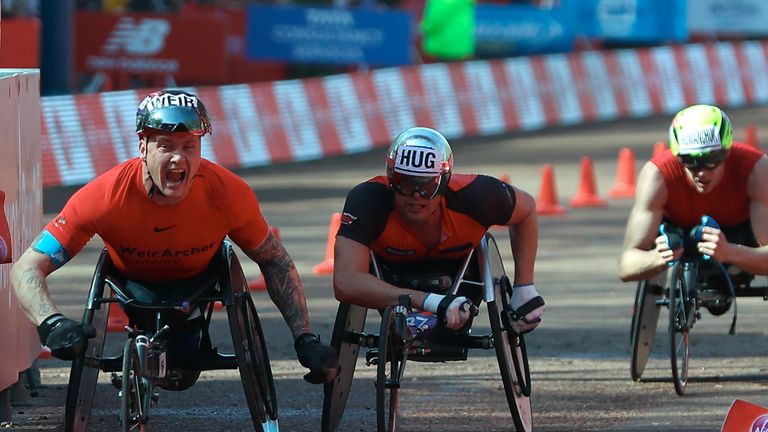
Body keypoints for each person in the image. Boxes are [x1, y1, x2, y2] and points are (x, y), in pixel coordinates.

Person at [10, 89, 339, 386]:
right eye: (165, 146)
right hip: (131, 287)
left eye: (188, 146)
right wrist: (51, 323)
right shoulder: (103, 197)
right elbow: (27, 267)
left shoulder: (229, 193)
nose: (178, 158)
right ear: (142, 147)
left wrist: (305, 339)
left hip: (197, 289)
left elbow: (274, 260)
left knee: (180, 367)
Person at [333, 126, 544, 334]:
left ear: (444, 183)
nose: (416, 195)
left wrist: (524, 287)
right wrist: (429, 301)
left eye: (427, 186)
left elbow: (526, 209)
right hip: (390, 277)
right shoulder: (367, 200)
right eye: (406, 183)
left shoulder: (477, 196)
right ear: (391, 179)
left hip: (461, 277)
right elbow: (345, 281)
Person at [618, 104, 768, 312]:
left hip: (737, 234)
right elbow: (626, 266)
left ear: (727, 151)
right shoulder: (657, 176)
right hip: (679, 233)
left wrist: (731, 252)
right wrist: (657, 258)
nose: (702, 173)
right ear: (677, 156)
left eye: (712, 161)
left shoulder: (756, 170)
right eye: (690, 161)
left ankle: (730, 270)